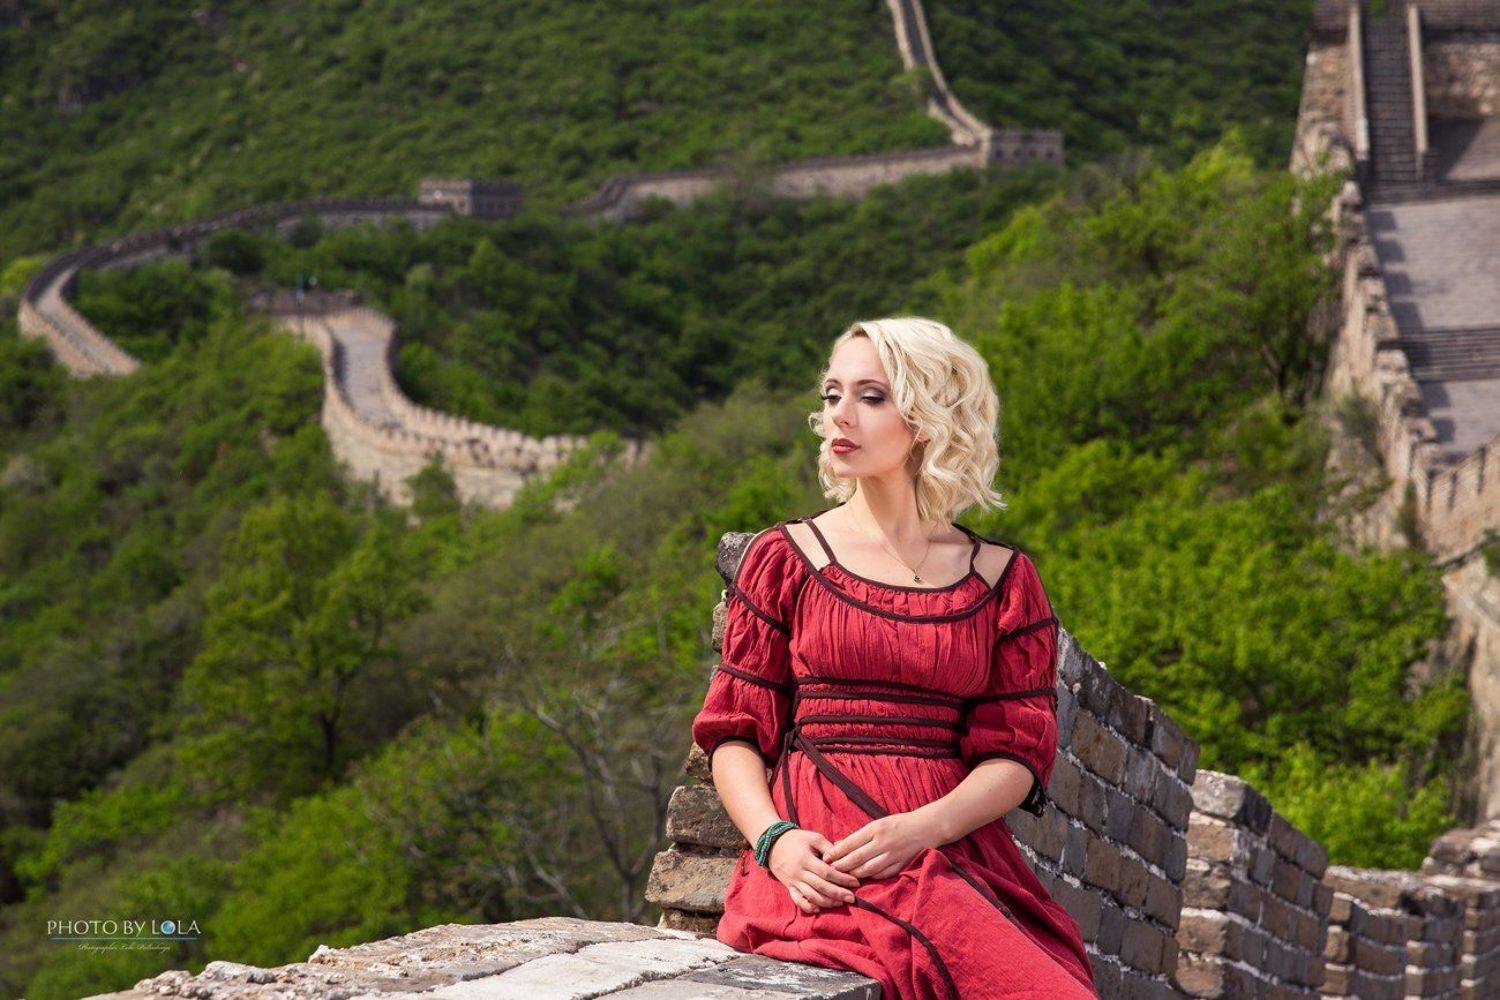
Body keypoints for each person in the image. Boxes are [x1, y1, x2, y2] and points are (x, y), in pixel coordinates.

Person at [691, 318, 1099, 998]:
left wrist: (924, 829)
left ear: (929, 416)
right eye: (832, 394)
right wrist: (775, 840)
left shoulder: (1003, 580)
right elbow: (734, 730)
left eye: (871, 396)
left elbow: (1019, 755)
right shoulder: (785, 558)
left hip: (953, 849)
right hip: (829, 853)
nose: (839, 415)